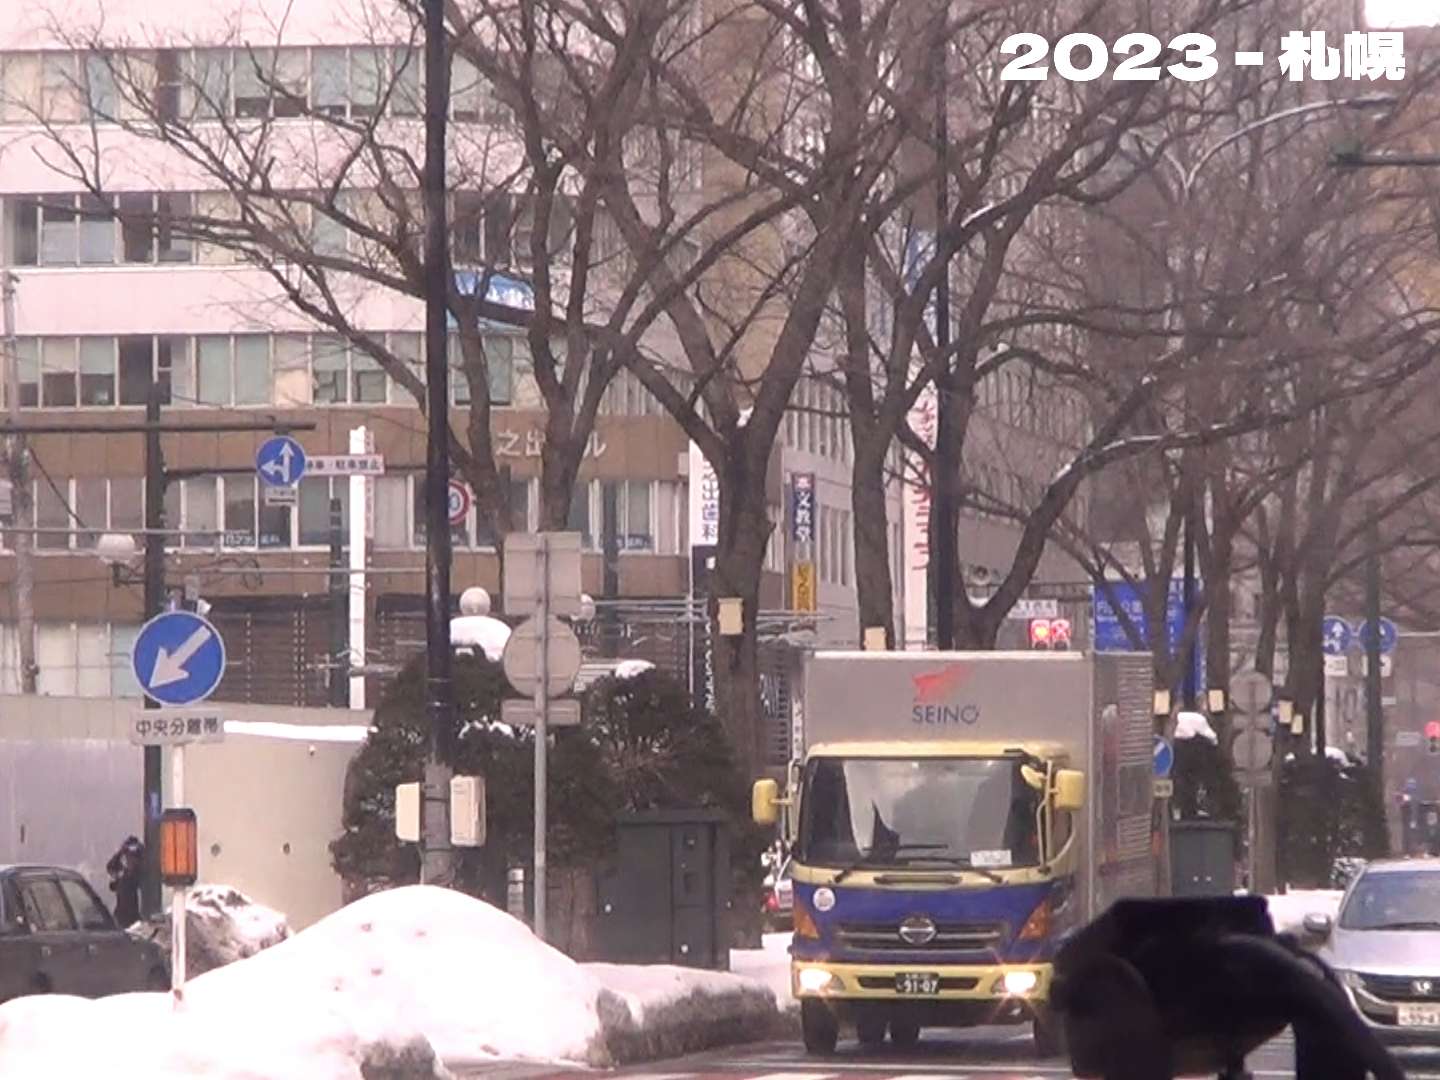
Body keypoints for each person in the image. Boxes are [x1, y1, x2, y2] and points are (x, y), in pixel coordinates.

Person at [106, 836, 144, 928]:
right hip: (121, 917)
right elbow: (110, 867)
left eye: (134, 857)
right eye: (129, 856)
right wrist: (121, 851)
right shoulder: (122, 874)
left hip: (135, 919)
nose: (131, 860)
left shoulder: (141, 874)